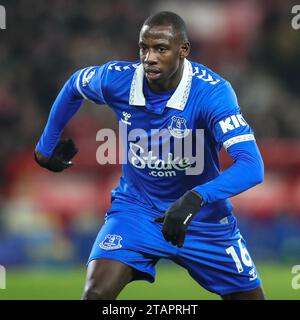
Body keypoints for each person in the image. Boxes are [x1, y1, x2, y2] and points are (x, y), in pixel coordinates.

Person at [34, 11, 266, 300]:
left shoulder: (212, 93)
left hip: (202, 220)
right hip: (136, 211)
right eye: (144, 47)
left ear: (183, 50)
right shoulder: (117, 80)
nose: (149, 58)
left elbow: (252, 166)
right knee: (94, 295)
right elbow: (74, 86)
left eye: (161, 49)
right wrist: (45, 148)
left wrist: (195, 197)